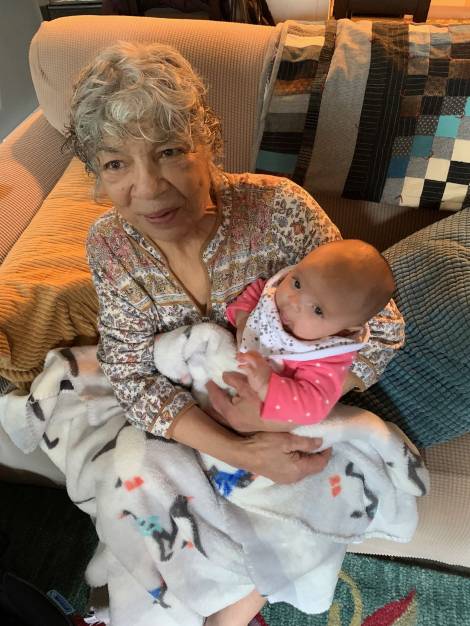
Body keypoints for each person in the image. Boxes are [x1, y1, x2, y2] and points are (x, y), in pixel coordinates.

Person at [65, 41, 405, 626]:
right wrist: (239, 448)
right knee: (141, 489)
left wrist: (279, 416)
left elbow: (381, 330)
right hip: (192, 421)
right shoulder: (110, 244)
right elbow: (129, 372)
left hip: (291, 407)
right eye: (116, 164)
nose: (148, 188)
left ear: (208, 144)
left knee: (298, 495)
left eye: (170, 152)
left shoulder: (279, 210)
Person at [229, 239, 396, 426]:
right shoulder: (275, 293)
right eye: (297, 284)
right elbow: (258, 292)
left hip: (262, 410)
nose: (293, 302)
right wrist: (243, 320)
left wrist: (265, 384)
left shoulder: (325, 356)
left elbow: (312, 405)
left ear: (345, 330)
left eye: (317, 310)